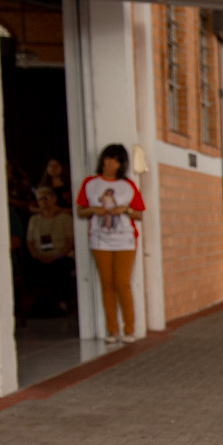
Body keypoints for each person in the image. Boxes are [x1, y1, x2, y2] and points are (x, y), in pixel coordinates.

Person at [76, 143, 144, 344]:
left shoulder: (128, 185)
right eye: (107, 158)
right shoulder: (90, 183)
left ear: (121, 164)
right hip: (100, 240)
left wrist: (125, 210)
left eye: (114, 160)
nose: (109, 163)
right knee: (107, 283)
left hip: (125, 240)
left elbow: (139, 213)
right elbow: (81, 210)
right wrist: (93, 210)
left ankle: (129, 329)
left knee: (122, 282)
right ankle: (112, 330)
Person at [22, 186, 75, 317]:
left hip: (61, 256)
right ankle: (35, 306)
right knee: (31, 268)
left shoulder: (65, 217)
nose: (43, 202)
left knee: (59, 268)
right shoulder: (34, 219)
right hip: (40, 256)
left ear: (54, 199)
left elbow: (70, 241)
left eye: (46, 198)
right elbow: (29, 242)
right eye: (40, 199)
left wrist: (57, 256)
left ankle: (61, 304)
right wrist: (36, 255)